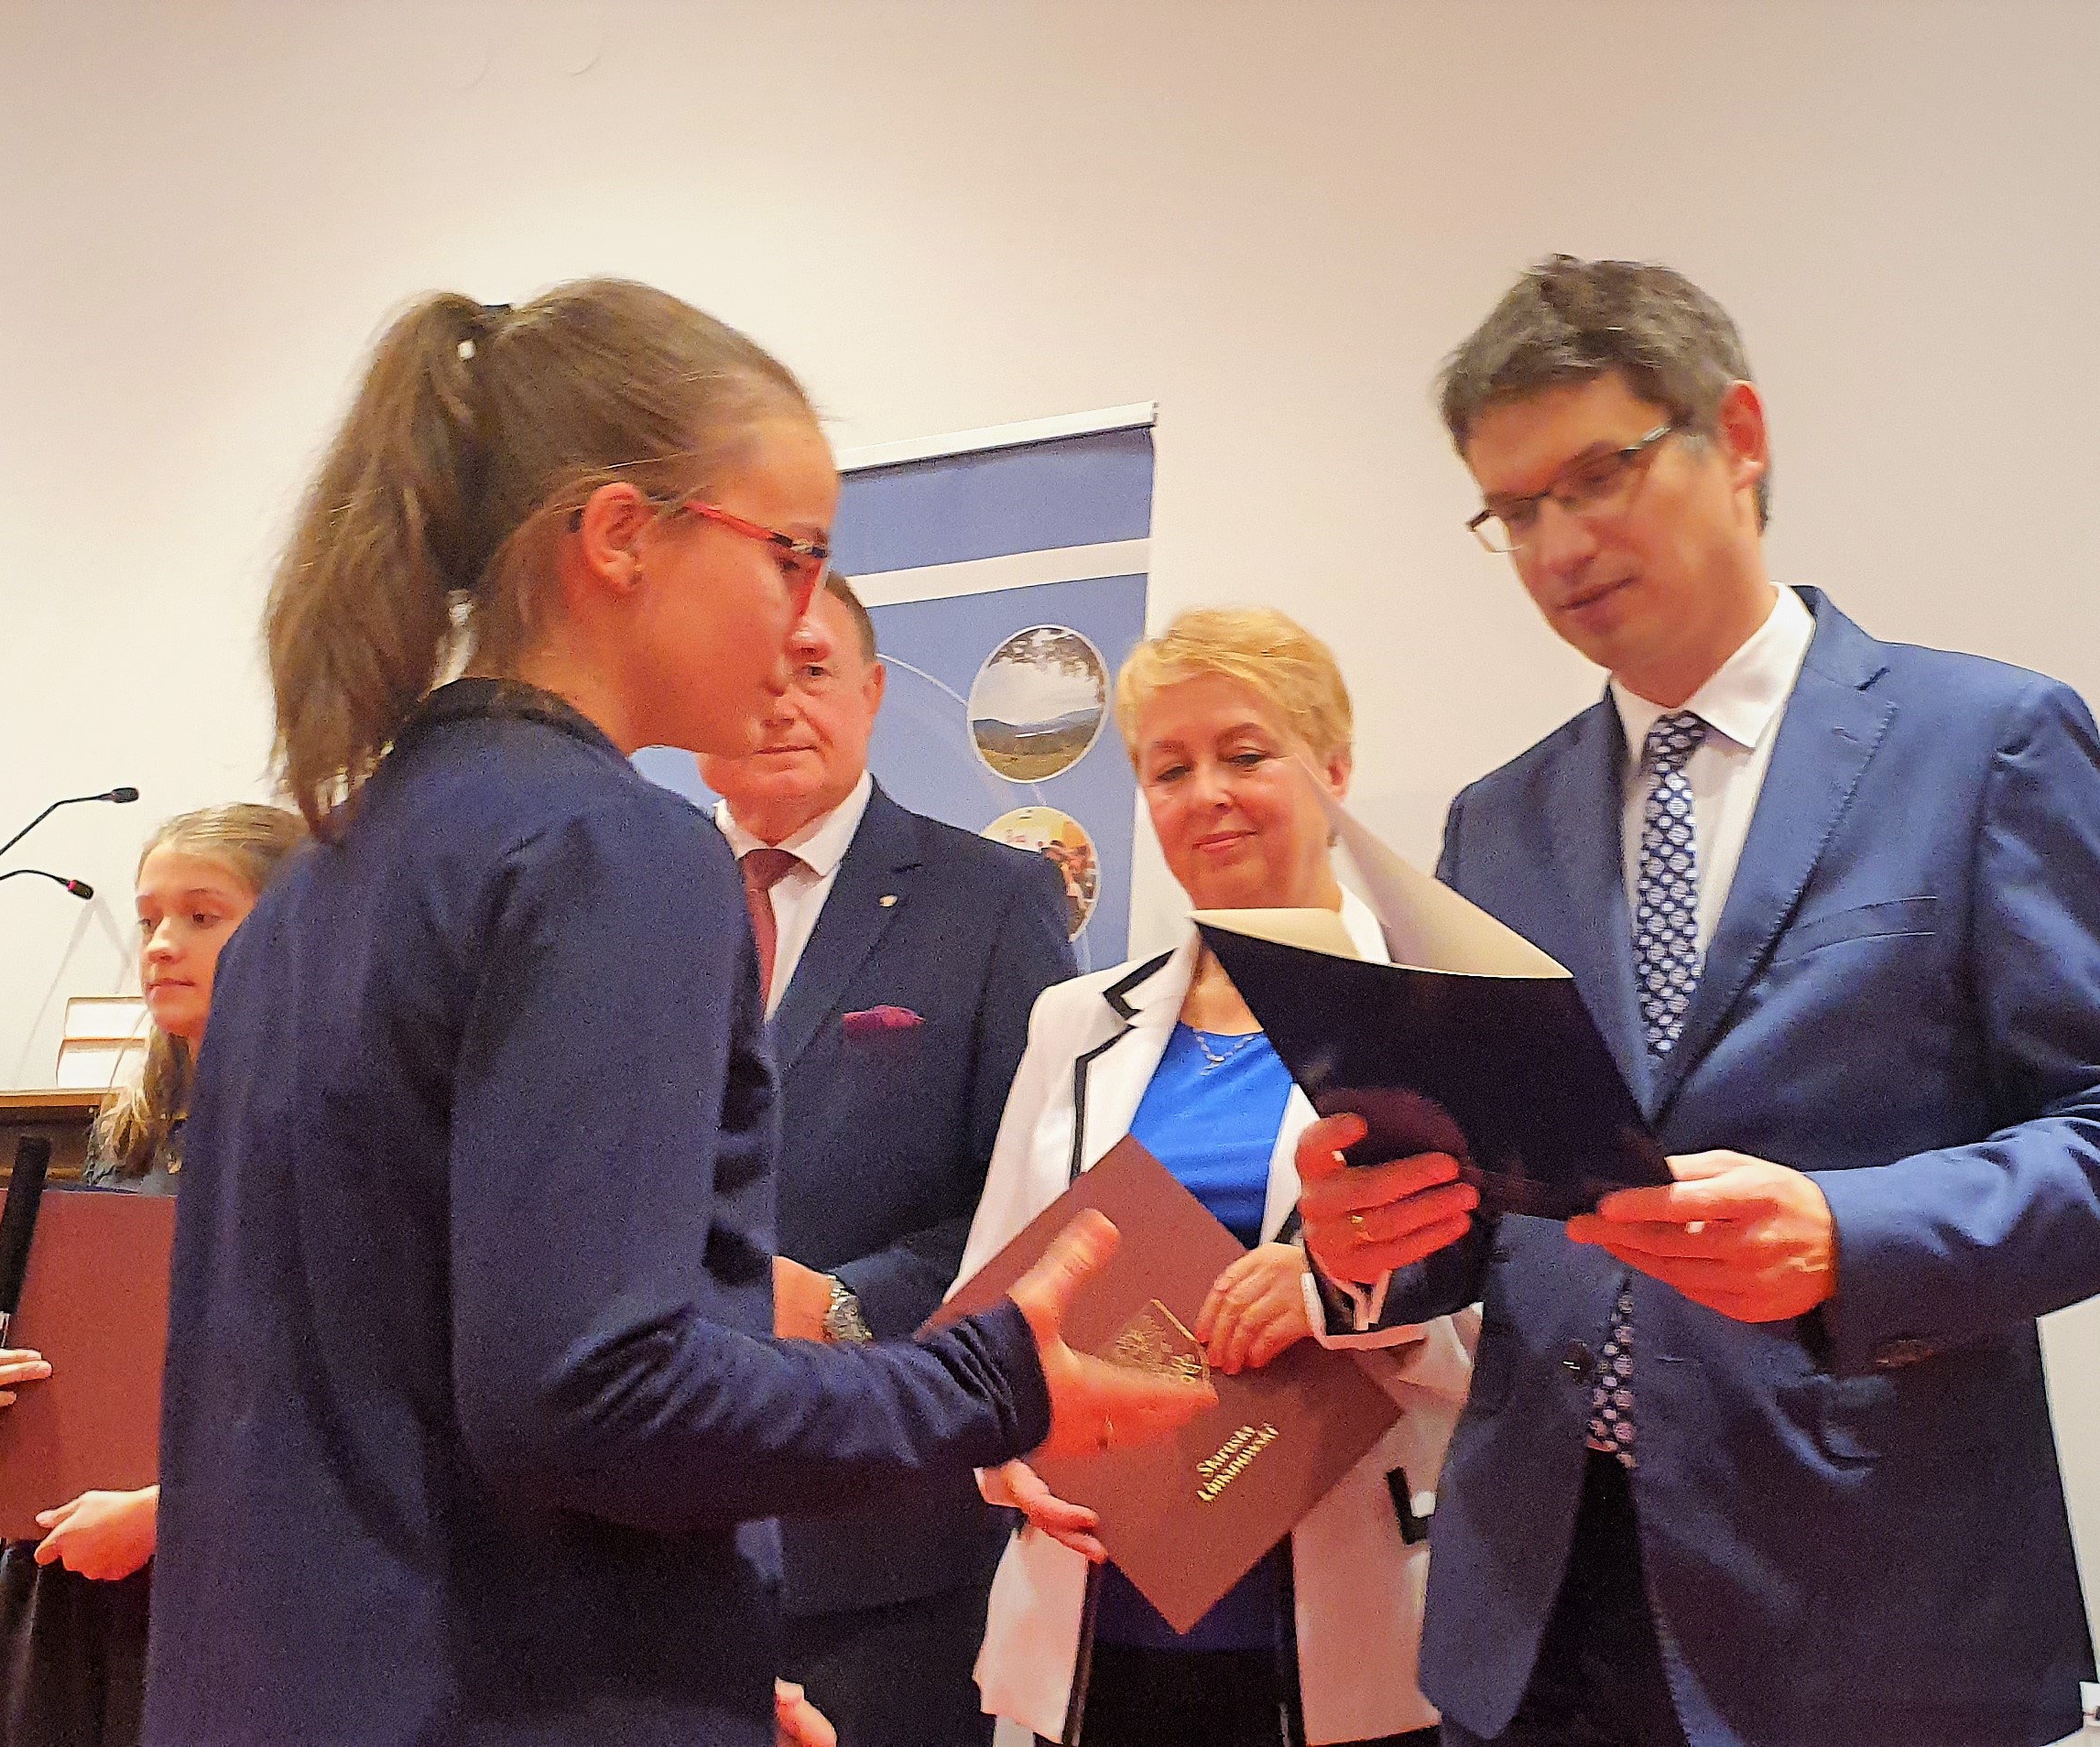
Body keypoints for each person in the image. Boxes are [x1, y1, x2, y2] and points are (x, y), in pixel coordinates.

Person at [140, 278, 1211, 1747]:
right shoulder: (608, 852)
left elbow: (386, 1407)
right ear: (619, 535)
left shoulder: (321, 879)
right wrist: (978, 1382)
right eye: (790, 554)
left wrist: (667, 1648)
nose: (799, 614)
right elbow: (592, 1393)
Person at [1297, 255, 2100, 1747]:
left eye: (1595, 476)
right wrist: (1369, 1240)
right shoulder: (1498, 820)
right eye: (1513, 511)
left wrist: (1846, 1235)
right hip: (1532, 1618)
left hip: (1858, 1611)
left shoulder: (1980, 744)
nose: (1557, 544)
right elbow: (1497, 1194)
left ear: (1735, 436)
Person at [953, 607, 1470, 1747]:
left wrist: (1337, 1292)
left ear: (1334, 770)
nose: (1207, 796)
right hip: (1095, 1614)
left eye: (1245, 754)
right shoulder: (1074, 1021)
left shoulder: (1437, 1009)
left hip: (1346, 1631)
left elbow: (1520, 1328)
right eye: (1169, 769)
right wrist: (998, 1449)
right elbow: (995, 1292)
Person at [694, 574, 1077, 1747]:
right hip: (644, 1525)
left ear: (868, 694)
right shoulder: (625, 901)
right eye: (750, 674)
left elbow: (1040, 1197)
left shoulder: (992, 898)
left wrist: (845, 1306)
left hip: (884, 1536)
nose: (780, 701)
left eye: (812, 670)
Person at [0, 803, 308, 1747]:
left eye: (203, 916)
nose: (162, 944)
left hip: (227, 1586)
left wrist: (171, 1514)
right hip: (67, 1566)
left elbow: (347, 1406)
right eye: (149, 919)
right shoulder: (131, 1136)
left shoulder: (336, 1139)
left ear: (302, 926)